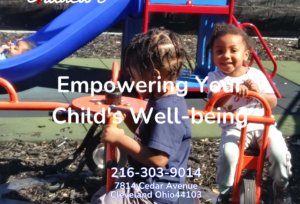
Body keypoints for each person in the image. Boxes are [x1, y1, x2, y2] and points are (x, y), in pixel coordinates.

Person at [91, 27, 195, 204]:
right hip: (143, 180)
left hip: (155, 192)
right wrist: (129, 117)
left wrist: (119, 139)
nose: (132, 82)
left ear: (155, 76)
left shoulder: (168, 110)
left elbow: (158, 159)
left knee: (104, 202)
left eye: (134, 77)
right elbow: (148, 134)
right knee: (99, 196)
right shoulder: (159, 99)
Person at [206, 23, 292, 204]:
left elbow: (273, 101)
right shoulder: (215, 77)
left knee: (279, 153)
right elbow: (216, 101)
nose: (226, 56)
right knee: (229, 154)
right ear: (212, 55)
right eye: (219, 51)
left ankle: (281, 186)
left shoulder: (257, 75)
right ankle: (225, 191)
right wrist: (232, 91)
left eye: (233, 50)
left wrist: (258, 94)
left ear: (246, 54)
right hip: (234, 128)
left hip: (263, 125)